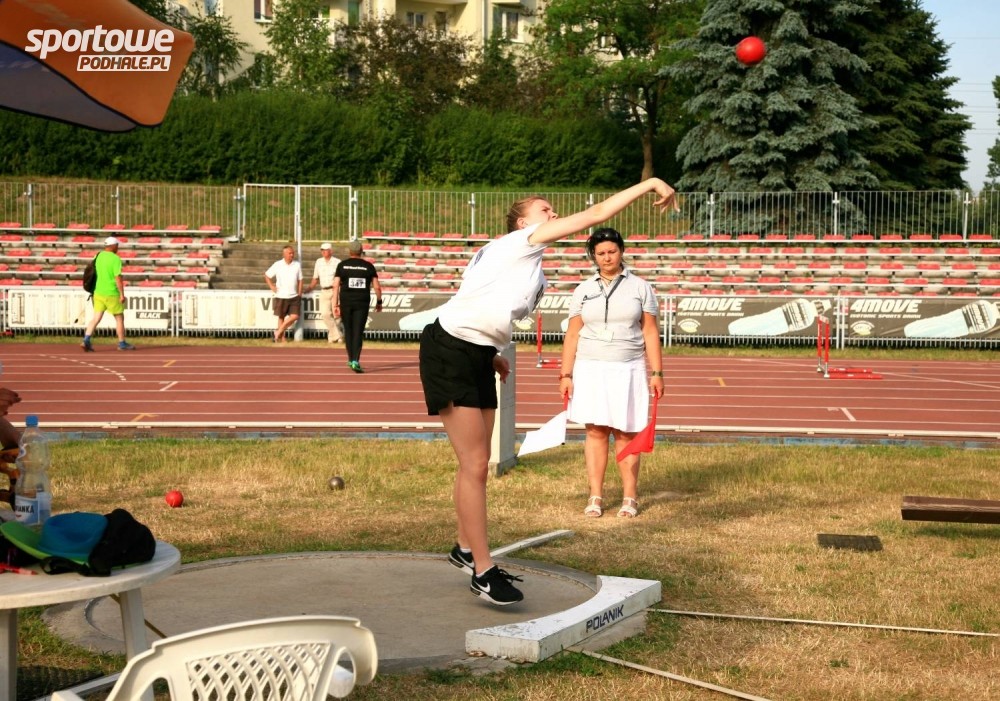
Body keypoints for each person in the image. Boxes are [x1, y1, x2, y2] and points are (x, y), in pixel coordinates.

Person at [419, 178, 678, 606]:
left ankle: (465, 548)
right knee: (476, 464)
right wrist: (649, 183)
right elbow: (597, 214)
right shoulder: (518, 242)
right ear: (523, 222)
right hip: (449, 348)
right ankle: (483, 572)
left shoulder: (532, 267)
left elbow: (483, 303)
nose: (553, 214)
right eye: (545, 209)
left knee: (474, 465)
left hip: (476, 353)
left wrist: (491, 354)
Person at [559, 227, 664, 520]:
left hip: (627, 367)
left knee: (626, 432)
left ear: (622, 251)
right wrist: (565, 374)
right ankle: (595, 495)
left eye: (612, 251)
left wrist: (657, 371)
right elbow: (572, 334)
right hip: (590, 367)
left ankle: (630, 496)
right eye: (601, 253)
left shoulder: (641, 287)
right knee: (595, 431)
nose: (607, 258)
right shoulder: (583, 289)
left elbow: (650, 331)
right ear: (593, 256)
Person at [333, 240, 382, 373]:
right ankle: (355, 360)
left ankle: (351, 359)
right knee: (358, 331)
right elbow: (377, 287)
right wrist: (379, 302)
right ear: (361, 251)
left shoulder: (342, 265)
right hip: (362, 303)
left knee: (349, 331)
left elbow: (335, 285)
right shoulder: (368, 266)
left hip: (346, 303)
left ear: (349, 251)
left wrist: (335, 304)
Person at [81, 236, 135, 352]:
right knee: (119, 318)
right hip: (111, 293)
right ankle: (122, 343)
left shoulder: (98, 255)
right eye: (117, 245)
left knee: (96, 318)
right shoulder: (115, 259)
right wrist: (121, 294)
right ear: (113, 246)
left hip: (98, 292)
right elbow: (118, 278)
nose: (118, 247)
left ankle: (86, 339)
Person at [264, 245, 303, 344]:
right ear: (284, 254)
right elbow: (267, 275)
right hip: (281, 295)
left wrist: (299, 293)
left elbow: (300, 280)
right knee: (281, 317)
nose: (292, 255)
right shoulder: (278, 264)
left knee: (295, 316)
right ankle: (282, 337)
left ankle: (278, 332)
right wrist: (272, 286)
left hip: (294, 295)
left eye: (293, 253)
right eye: (290, 253)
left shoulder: (297, 265)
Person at [306, 242, 344, 344]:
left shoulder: (337, 262)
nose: (323, 252)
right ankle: (338, 335)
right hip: (324, 290)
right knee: (325, 314)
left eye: (325, 250)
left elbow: (341, 278)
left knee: (336, 315)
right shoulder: (318, 262)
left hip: (335, 290)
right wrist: (309, 288)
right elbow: (315, 278)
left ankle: (332, 337)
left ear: (331, 251)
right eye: (322, 250)